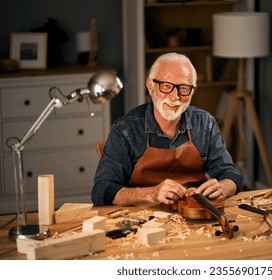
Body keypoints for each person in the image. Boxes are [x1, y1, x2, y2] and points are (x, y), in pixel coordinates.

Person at [91, 52, 243, 206]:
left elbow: (231, 174)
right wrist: (152, 194)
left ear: (193, 91)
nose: (174, 96)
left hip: (193, 215)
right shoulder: (125, 129)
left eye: (183, 88)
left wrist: (224, 187)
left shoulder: (205, 123)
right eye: (166, 86)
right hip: (142, 222)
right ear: (150, 86)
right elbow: (102, 190)